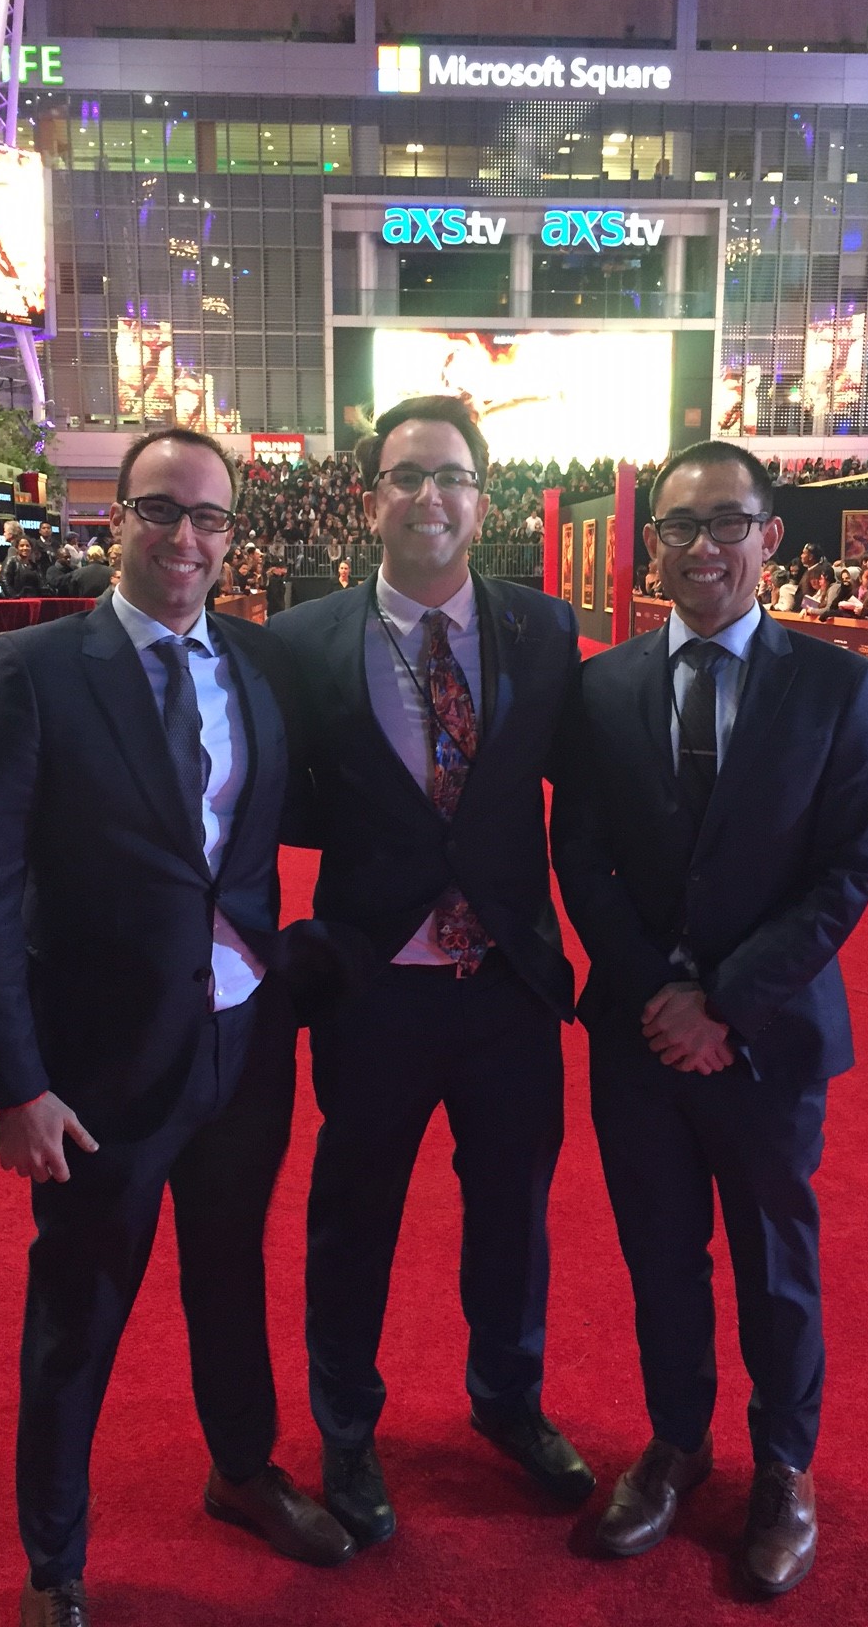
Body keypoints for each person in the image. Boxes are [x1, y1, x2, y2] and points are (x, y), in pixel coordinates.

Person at [0, 427, 356, 1627]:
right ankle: (56, 1563)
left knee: (231, 1274)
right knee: (80, 1311)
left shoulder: (264, 666)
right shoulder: (34, 673)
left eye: (209, 518)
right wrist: (15, 1083)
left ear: (233, 534)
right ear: (112, 520)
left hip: (241, 1046)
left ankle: (242, 1471)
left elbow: (283, 835)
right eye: (159, 511)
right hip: (95, 1069)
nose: (185, 538)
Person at [552, 440, 868, 1599]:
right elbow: (581, 857)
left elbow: (848, 868)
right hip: (641, 1039)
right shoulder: (599, 689)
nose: (703, 548)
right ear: (650, 544)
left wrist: (726, 1006)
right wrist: (661, 997)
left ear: (770, 537)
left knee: (775, 1267)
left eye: (726, 524)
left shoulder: (838, 686)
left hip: (769, 1040)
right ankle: (677, 1446)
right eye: (679, 527)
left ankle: (785, 1469)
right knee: (660, 1259)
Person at [267, 395, 592, 1550]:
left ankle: (508, 1399)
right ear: (371, 498)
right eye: (406, 476)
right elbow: (269, 805)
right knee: (353, 1218)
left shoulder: (545, 632)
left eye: (451, 476)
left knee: (513, 1213)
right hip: (374, 987)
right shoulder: (300, 641)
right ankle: (346, 1430)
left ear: (483, 496)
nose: (430, 498)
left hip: (508, 984)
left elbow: (585, 804)